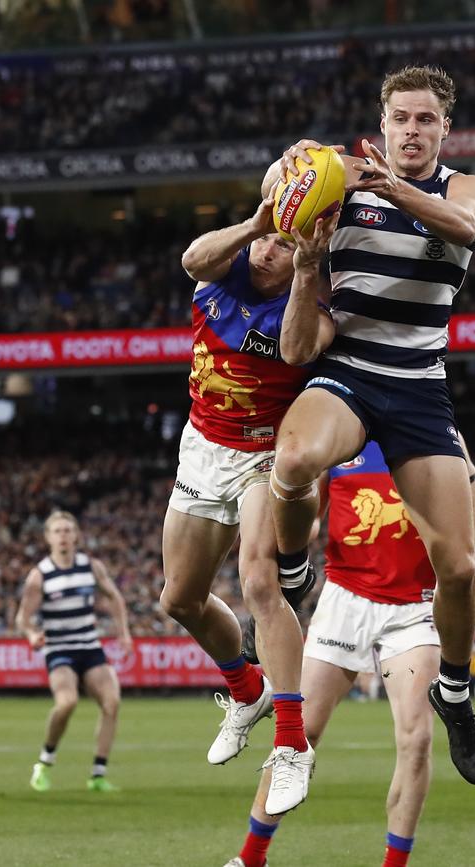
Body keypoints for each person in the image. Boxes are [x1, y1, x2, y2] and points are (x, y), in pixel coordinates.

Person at [261, 64, 475, 785]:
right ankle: (298, 569)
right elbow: (300, 349)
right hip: (352, 373)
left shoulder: (464, 189)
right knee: (294, 461)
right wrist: (305, 260)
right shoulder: (338, 192)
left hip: (421, 388)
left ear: (445, 128)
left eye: (426, 120)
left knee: (457, 566)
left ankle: (454, 691)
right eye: (402, 119)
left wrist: (384, 184)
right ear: (383, 123)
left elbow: (466, 227)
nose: (413, 131)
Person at [224, 435, 475, 867]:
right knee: (300, 732)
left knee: (417, 738)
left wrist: (441, 542)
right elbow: (309, 518)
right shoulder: (342, 430)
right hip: (344, 600)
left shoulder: (437, 431)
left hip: (415, 607)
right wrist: (273, 527)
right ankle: (251, 858)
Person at [159, 186, 338, 814]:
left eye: (281, 246)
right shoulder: (227, 264)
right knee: (178, 598)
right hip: (202, 445)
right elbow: (191, 260)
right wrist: (259, 222)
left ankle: (292, 744)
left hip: (266, 452)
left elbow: (295, 350)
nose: (266, 251)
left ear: (304, 258)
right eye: (266, 239)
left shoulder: (316, 301)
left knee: (259, 585)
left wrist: (307, 267)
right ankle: (245, 688)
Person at [15, 510, 132, 793]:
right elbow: (22, 617)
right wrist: (31, 634)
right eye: (57, 531)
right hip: (59, 649)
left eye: (68, 530)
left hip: (89, 646)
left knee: (111, 702)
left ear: (76, 535)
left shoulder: (90, 567)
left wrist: (123, 632)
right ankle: (45, 761)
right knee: (67, 702)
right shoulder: (39, 575)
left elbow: (114, 597)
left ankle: (98, 774)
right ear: (48, 538)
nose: (63, 536)